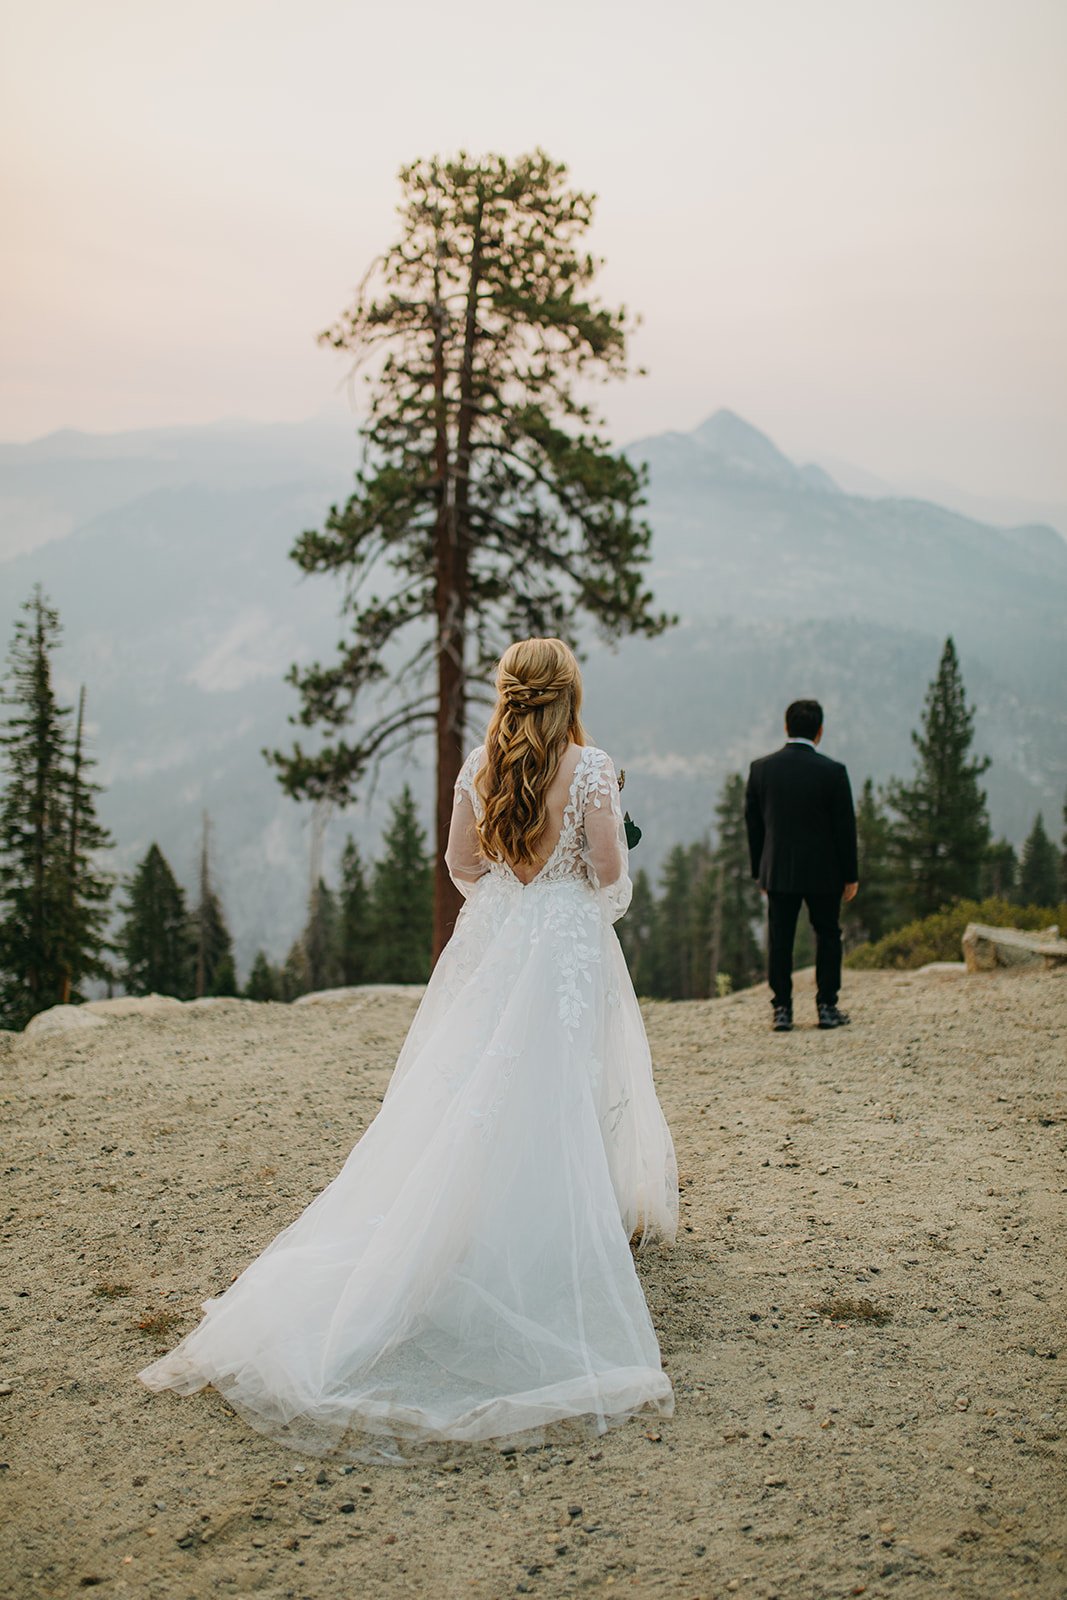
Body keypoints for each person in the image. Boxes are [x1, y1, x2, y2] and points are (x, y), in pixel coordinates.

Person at [138, 637, 678, 1458]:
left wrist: (508, 893)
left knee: (466, 1088)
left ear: (508, 694)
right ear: (570, 692)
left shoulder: (478, 765)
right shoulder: (593, 766)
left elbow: (461, 862)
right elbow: (608, 873)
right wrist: (572, 882)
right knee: (561, 1086)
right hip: (565, 941)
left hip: (497, 937)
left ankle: (455, 1230)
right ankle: (546, 1237)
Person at [744, 699, 858, 1032]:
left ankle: (782, 1010)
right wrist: (850, 875)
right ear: (819, 731)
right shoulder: (834, 772)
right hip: (826, 872)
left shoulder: (761, 769)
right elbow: (845, 828)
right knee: (828, 935)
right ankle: (826, 1007)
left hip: (778, 870)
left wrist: (760, 870)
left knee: (780, 939)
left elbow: (754, 825)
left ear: (786, 727)